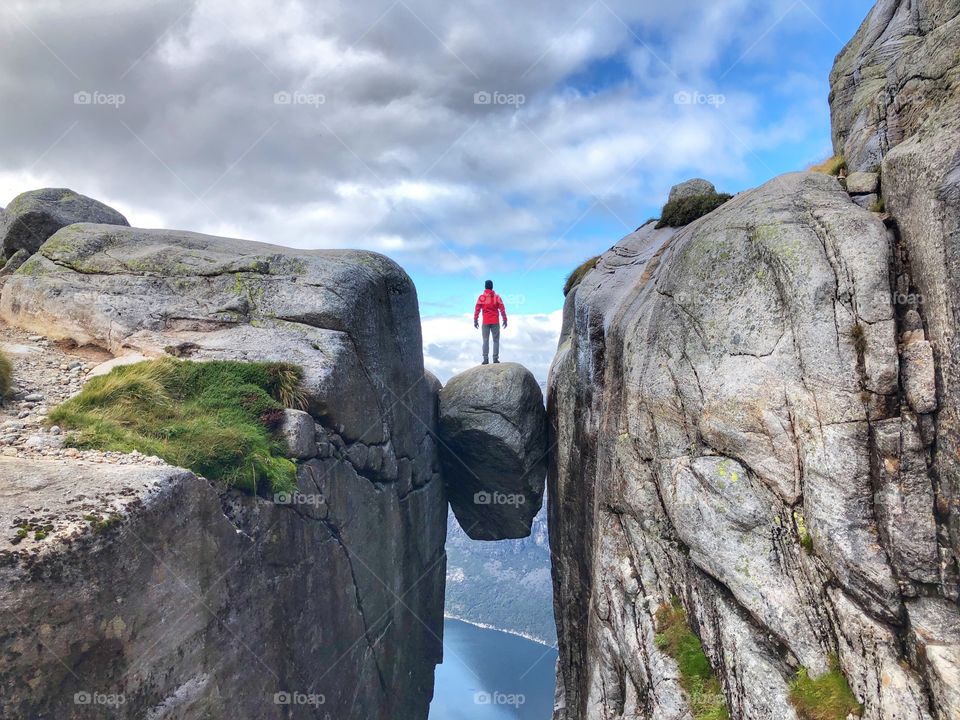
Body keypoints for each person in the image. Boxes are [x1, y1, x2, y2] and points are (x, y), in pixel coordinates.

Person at [473, 280, 508, 364]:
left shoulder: (482, 297)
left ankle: (485, 359)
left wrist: (475, 320)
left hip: (485, 322)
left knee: (485, 340)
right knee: (496, 341)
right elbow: (502, 309)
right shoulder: (497, 297)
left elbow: (477, 309)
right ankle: (495, 358)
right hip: (495, 321)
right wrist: (505, 319)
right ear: (492, 287)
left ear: (485, 287)